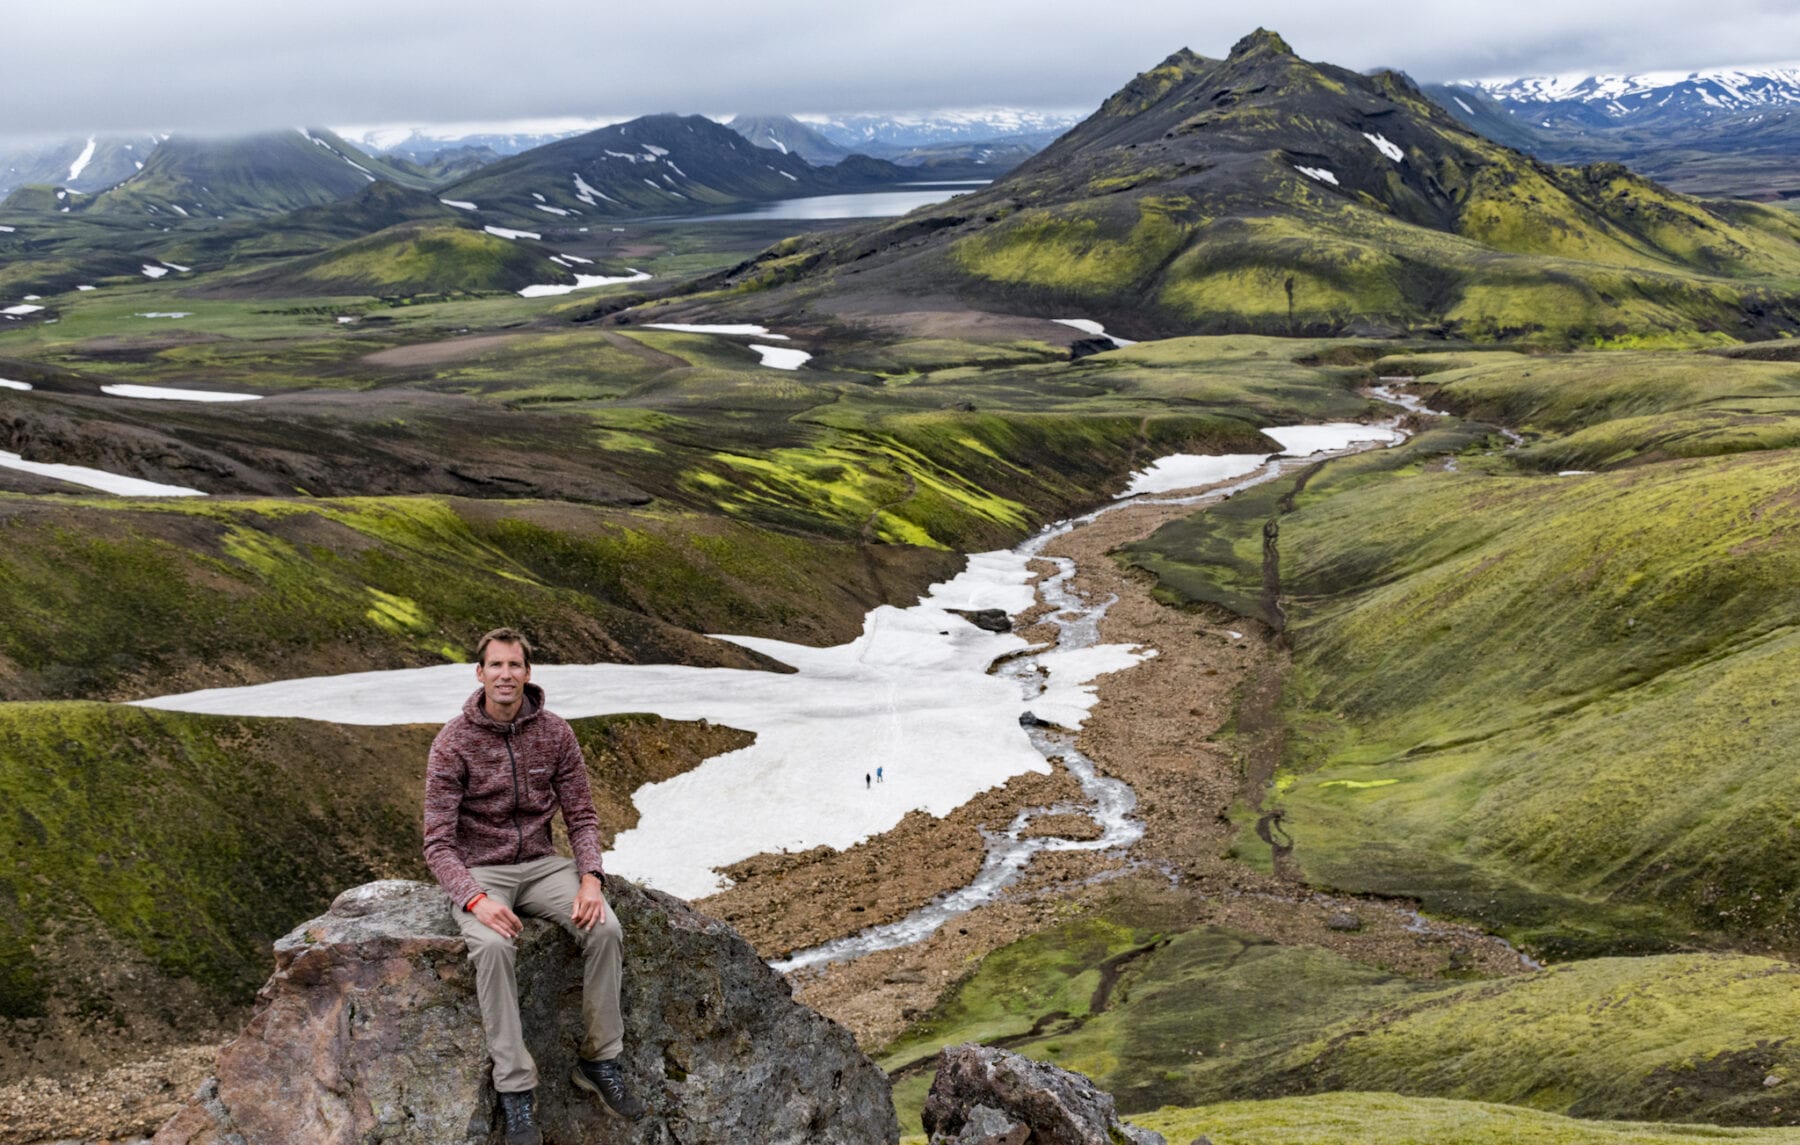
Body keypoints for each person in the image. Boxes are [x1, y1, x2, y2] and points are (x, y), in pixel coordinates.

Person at [423, 627, 645, 1144]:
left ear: (528, 673)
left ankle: (599, 1059)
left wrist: (591, 878)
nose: (506, 674)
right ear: (480, 674)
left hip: (544, 865)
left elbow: (583, 817)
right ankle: (516, 1089)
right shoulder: (452, 742)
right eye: (495, 666)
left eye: (514, 665)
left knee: (605, 929)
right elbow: (437, 842)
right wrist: (474, 899)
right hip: (482, 871)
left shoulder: (556, 733)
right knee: (495, 946)